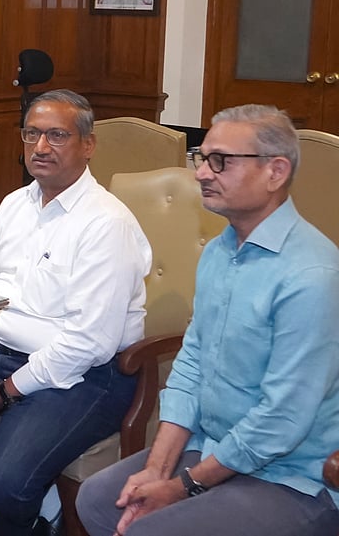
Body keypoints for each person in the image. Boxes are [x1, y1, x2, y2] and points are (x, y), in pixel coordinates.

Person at [76, 105, 339, 536]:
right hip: (214, 448)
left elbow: (281, 421)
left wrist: (183, 487)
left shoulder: (311, 275)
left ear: (275, 172)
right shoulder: (220, 251)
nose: (201, 173)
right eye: (202, 157)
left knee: (149, 528)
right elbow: (193, 362)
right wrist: (159, 469)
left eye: (221, 161)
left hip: (291, 476)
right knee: (99, 500)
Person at [0, 89, 152, 536]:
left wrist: (4, 391)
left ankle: (40, 521)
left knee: (2, 479)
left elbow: (89, 342)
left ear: (88, 145)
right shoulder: (15, 204)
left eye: (57, 136)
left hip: (88, 377)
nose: (41, 147)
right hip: (0, 356)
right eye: (32, 134)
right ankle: (40, 499)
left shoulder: (106, 223)